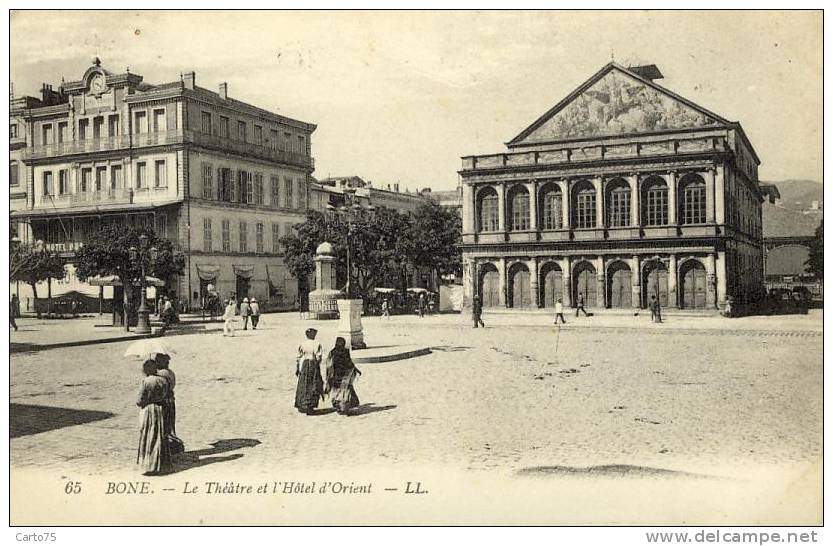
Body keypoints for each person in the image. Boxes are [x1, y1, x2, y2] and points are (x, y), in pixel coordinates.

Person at [136, 359, 171, 475]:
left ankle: (149, 464)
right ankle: (160, 463)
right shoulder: (163, 380)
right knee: (159, 435)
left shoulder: (145, 381)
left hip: (149, 410)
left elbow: (139, 401)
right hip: (160, 409)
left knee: (148, 435)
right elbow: (168, 394)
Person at [325, 337, 362, 415]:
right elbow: (349, 362)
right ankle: (343, 407)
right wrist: (355, 369)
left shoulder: (332, 352)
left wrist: (329, 375)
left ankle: (338, 406)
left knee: (336, 390)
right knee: (345, 390)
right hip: (345, 374)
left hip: (336, 374)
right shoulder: (345, 351)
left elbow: (329, 364)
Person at [154, 353, 183, 454]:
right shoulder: (170, 372)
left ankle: (168, 447)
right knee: (170, 424)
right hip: (171, 401)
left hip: (164, 402)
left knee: (164, 425)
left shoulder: (161, 374)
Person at [294, 328, 324, 415]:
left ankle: (303, 404)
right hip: (313, 364)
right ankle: (310, 405)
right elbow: (318, 356)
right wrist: (317, 365)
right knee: (313, 384)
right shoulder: (317, 344)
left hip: (304, 364)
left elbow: (299, 357)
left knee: (304, 384)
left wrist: (297, 367)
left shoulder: (303, 344)